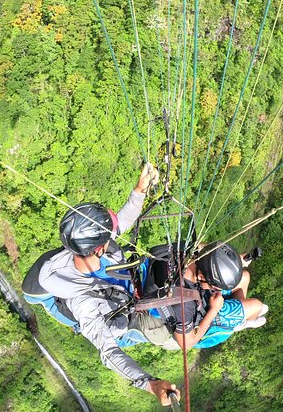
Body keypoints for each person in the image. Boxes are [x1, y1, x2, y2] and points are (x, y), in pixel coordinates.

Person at [22, 163, 181, 406]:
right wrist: (149, 383)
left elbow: (123, 222)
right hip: (83, 306)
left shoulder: (93, 248)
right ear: (99, 247)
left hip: (99, 282)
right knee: (145, 335)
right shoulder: (83, 302)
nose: (113, 236)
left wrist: (139, 190)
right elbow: (109, 352)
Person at [170, 241, 268, 350]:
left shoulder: (182, 253)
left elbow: (207, 248)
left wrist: (230, 263)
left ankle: (240, 315)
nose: (216, 289)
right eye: (215, 287)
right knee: (257, 306)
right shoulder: (183, 304)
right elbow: (187, 344)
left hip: (198, 292)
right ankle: (240, 322)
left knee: (244, 277)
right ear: (202, 277)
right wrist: (213, 310)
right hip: (201, 321)